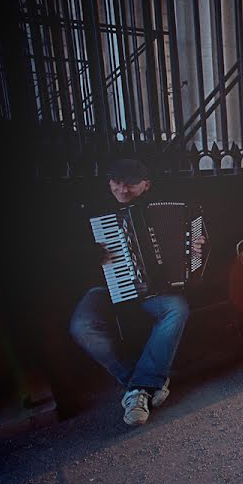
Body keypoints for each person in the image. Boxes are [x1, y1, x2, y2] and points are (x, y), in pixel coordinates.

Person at [68, 159, 203, 426]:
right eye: (116, 182)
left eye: (130, 183)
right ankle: (141, 383)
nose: (122, 190)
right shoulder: (92, 209)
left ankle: (137, 390)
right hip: (106, 288)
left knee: (177, 309)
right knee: (81, 325)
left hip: (152, 291)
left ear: (146, 185)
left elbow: (192, 245)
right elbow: (65, 256)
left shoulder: (162, 207)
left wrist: (195, 248)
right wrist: (91, 255)